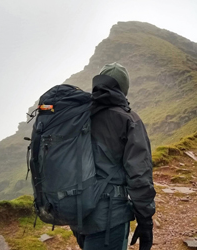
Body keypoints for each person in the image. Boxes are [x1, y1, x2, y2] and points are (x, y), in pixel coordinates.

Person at [72, 62, 156, 250]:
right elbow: (139, 174)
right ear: (123, 89)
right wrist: (145, 221)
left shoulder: (80, 116)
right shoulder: (128, 119)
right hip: (110, 216)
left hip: (78, 212)